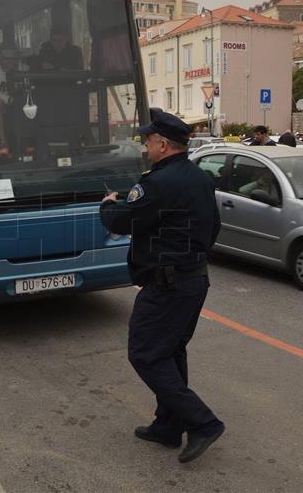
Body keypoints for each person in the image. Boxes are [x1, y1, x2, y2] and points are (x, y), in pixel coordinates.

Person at [99, 110, 225, 464]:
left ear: (163, 145)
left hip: (167, 286)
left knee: (145, 353)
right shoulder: (200, 178)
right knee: (170, 352)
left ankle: (203, 422)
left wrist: (107, 205)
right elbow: (213, 226)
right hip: (193, 279)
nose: (145, 146)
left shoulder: (157, 183)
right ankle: (168, 427)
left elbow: (124, 221)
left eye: (148, 141)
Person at [0, 41, 28, 156]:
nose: (10, 62)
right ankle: (3, 141)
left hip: (22, 100)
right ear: (0, 57)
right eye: (6, 58)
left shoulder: (24, 68)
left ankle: (28, 138)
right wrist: (8, 99)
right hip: (3, 101)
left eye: (13, 58)